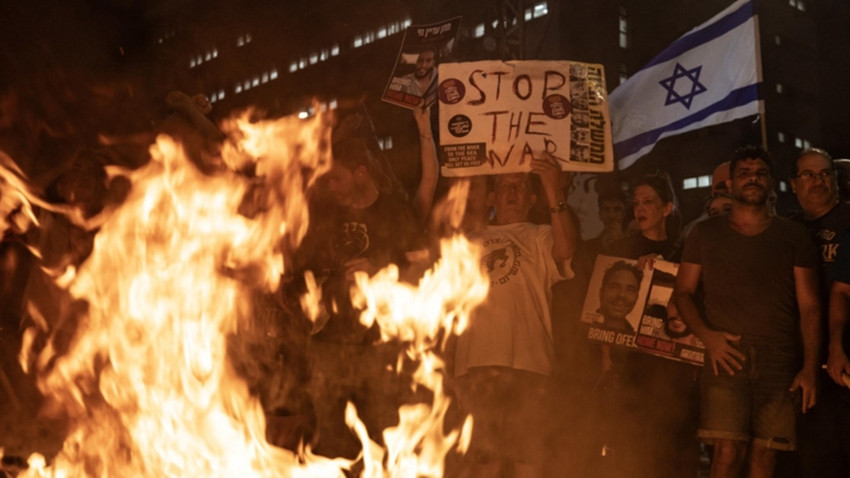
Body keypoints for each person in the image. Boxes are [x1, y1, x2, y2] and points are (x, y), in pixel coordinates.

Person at [674, 145, 820, 478]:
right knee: (727, 452)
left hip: (779, 360)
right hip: (726, 357)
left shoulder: (794, 236)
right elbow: (682, 293)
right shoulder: (704, 234)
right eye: (744, 173)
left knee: (766, 456)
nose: (752, 179)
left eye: (760, 173)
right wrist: (708, 337)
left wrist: (810, 366)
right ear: (731, 184)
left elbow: (810, 305)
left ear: (771, 183)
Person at [453, 154, 576, 478]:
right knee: (485, 461)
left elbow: (565, 252)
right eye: (504, 185)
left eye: (519, 186)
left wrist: (553, 189)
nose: (511, 191)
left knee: (527, 461)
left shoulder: (540, 235)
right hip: (477, 366)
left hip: (530, 365)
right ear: (492, 197)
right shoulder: (466, 242)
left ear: (531, 198)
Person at [787, 147, 850, 478]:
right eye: (808, 174)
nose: (818, 181)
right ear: (793, 184)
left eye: (825, 173)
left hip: (844, 356)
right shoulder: (784, 230)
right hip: (801, 360)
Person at [596, 260, 642, 334]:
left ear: (637, 297)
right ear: (601, 292)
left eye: (630, 290)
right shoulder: (580, 325)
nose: (622, 295)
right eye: (614, 287)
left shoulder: (635, 338)